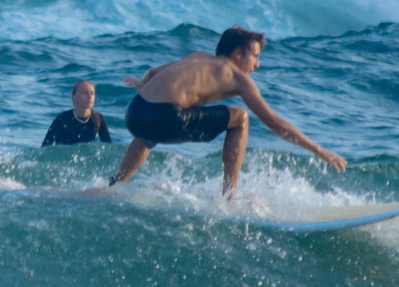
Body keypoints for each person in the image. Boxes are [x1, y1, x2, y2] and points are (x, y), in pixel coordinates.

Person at [107, 26, 346, 197]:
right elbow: (273, 122)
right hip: (165, 117)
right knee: (240, 118)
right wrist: (318, 150)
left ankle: (115, 185)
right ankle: (230, 195)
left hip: (135, 113)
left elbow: (152, 73)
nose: (257, 65)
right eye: (255, 56)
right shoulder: (236, 77)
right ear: (237, 53)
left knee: (149, 133)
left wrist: (141, 84)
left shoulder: (198, 57)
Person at [41, 80, 115, 148]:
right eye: (84, 93)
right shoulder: (62, 119)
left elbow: (109, 146)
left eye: (92, 93)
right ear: (74, 97)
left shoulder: (98, 119)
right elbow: (45, 146)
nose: (89, 97)